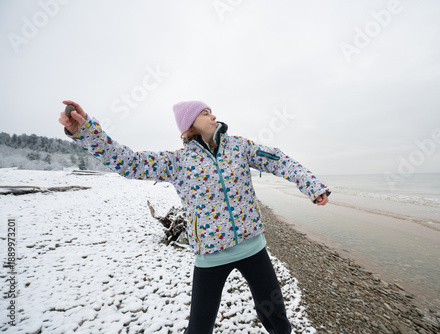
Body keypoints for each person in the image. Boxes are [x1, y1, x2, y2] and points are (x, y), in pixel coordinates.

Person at [59, 100, 330, 334]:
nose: (213, 115)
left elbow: (278, 160)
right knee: (199, 327)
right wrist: (86, 131)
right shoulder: (178, 162)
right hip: (211, 256)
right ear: (189, 125)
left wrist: (311, 185)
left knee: (276, 317)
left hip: (253, 249)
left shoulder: (239, 147)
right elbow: (130, 162)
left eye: (212, 111)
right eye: (205, 112)